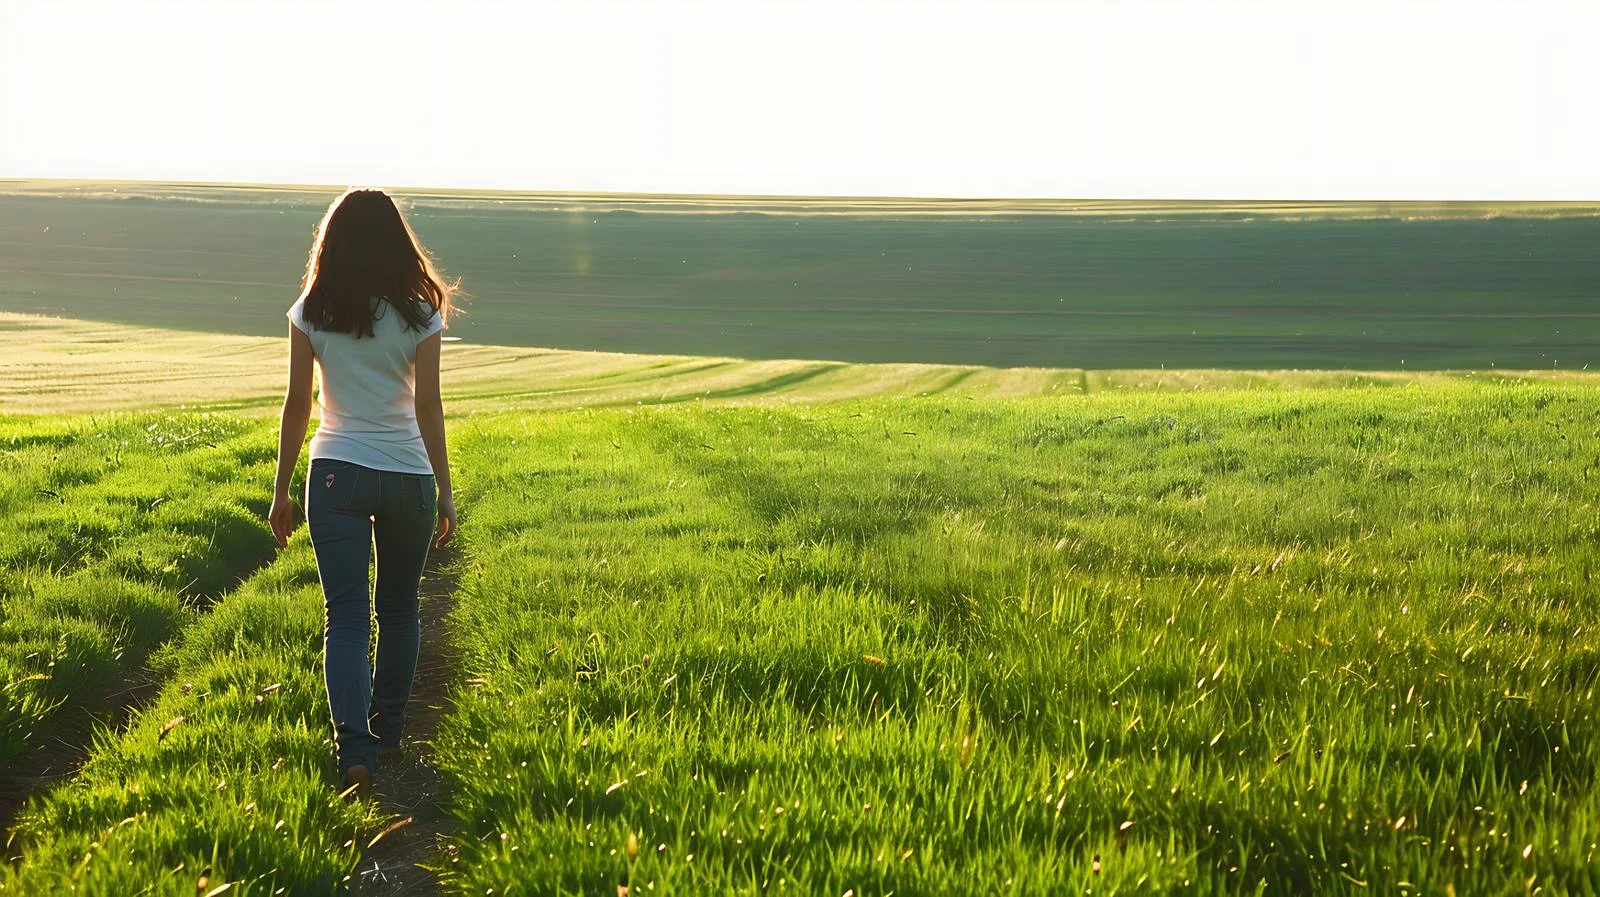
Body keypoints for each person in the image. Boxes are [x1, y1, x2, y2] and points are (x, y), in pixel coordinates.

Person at [267, 188, 457, 798]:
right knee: (400, 609)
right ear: (398, 243)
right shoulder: (419, 314)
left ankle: (355, 748)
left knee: (344, 618)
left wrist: (281, 491)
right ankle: (391, 730)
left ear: (333, 243)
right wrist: (446, 492)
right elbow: (427, 406)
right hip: (407, 473)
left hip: (335, 472)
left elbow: (298, 405)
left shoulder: (313, 310)